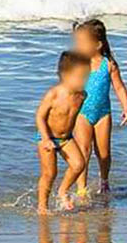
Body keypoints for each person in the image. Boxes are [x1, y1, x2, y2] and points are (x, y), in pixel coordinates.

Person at [71, 19, 127, 196]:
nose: (78, 45)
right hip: (82, 113)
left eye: (82, 42)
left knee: (104, 153)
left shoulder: (109, 65)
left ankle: (104, 181)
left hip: (103, 115)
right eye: (77, 42)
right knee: (83, 151)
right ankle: (81, 188)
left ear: (97, 44)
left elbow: (120, 88)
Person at [34, 51, 91, 214]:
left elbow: (72, 116)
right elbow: (40, 116)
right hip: (47, 137)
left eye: (85, 77)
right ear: (65, 75)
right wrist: (45, 138)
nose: (83, 81)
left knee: (79, 164)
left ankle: (62, 191)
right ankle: (42, 206)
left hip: (66, 138)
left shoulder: (82, 95)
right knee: (49, 173)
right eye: (80, 77)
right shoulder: (54, 94)